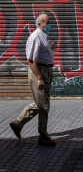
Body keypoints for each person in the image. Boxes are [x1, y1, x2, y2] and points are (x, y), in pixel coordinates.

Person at [10, 13, 56, 146]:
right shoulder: (35, 37)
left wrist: (50, 47)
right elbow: (31, 60)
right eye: (47, 22)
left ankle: (17, 124)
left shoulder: (44, 36)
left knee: (40, 103)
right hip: (39, 72)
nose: (49, 25)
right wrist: (39, 78)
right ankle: (43, 136)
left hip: (46, 71)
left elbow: (42, 54)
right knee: (43, 105)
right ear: (40, 24)